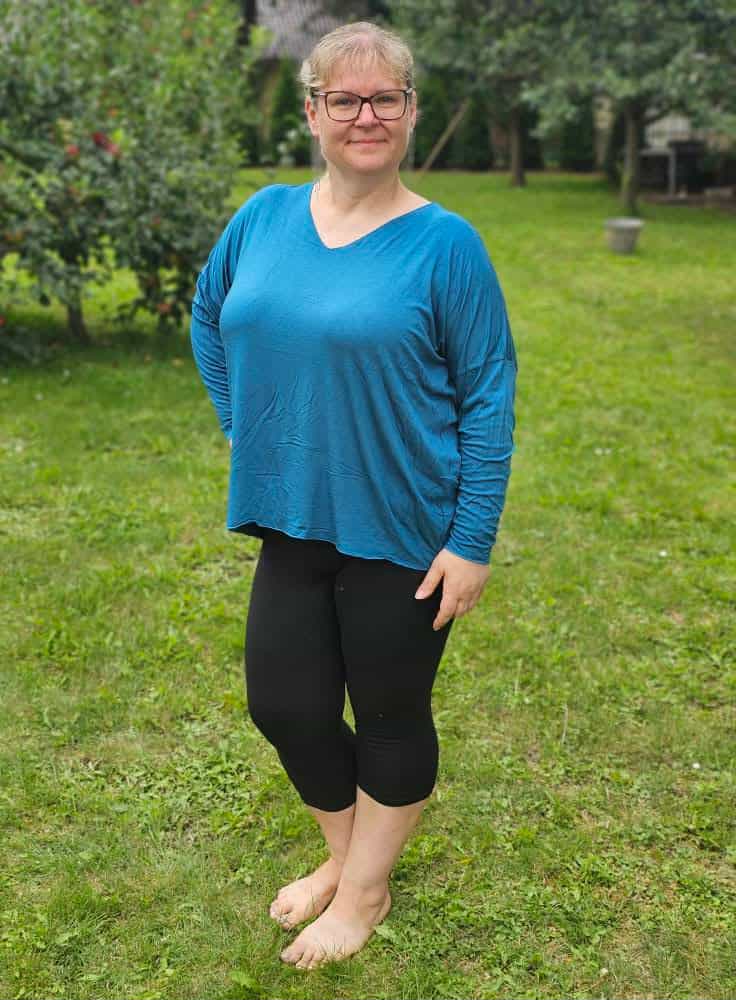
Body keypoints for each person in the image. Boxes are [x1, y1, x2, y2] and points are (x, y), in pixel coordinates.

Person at [190, 20, 518, 972]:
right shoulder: (263, 216)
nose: (365, 116)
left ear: (410, 112)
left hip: (406, 525)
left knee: (389, 712)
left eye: (385, 98)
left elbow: (488, 393)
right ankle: (346, 858)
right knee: (284, 705)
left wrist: (472, 539)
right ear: (313, 113)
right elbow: (210, 316)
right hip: (290, 511)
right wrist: (247, 426)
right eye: (345, 98)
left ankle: (365, 890)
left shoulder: (446, 245)